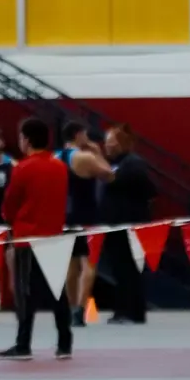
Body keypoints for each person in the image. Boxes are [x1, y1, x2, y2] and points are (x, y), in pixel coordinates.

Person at [0, 117, 72, 361]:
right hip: (55, 236)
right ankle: (64, 343)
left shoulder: (22, 168)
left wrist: (10, 220)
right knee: (58, 293)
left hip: (27, 239)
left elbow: (9, 205)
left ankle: (23, 344)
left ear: (26, 139)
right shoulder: (60, 166)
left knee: (25, 294)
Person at [98, 124, 157, 325]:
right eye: (106, 141)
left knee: (130, 268)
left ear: (122, 143)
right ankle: (122, 308)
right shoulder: (111, 163)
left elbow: (149, 189)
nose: (107, 145)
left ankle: (134, 311)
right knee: (118, 269)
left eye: (111, 141)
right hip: (113, 225)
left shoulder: (133, 163)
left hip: (129, 224)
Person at [56, 121, 113, 326]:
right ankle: (79, 310)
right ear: (79, 135)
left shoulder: (55, 158)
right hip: (87, 216)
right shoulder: (85, 157)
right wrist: (97, 152)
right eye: (85, 135)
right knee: (88, 265)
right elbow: (109, 175)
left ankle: (71, 308)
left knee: (70, 266)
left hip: (63, 217)